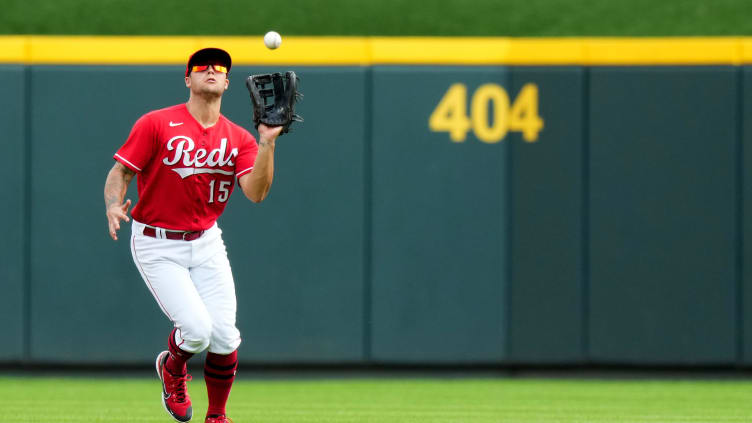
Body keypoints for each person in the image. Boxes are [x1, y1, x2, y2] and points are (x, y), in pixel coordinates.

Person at [103, 47, 284, 423]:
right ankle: (172, 368)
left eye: (220, 67)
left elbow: (256, 192)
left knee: (224, 336)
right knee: (198, 332)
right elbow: (121, 172)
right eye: (202, 66)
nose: (212, 70)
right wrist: (113, 204)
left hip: (205, 241)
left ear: (228, 82)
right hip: (156, 242)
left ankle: (217, 416)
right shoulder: (156, 123)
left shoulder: (239, 138)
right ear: (188, 78)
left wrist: (267, 142)